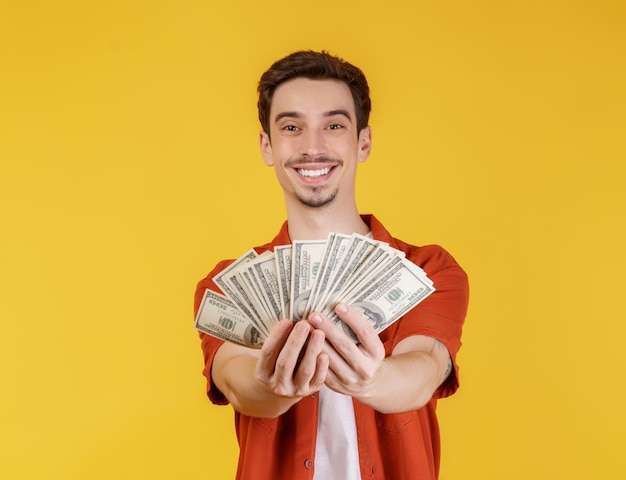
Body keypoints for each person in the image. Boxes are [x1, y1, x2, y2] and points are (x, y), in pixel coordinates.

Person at [194, 50, 469, 480]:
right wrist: (271, 385)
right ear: (267, 146)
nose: (312, 147)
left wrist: (371, 382)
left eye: (334, 125)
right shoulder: (226, 287)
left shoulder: (429, 270)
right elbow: (237, 382)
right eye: (291, 127)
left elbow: (424, 371)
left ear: (363, 142)